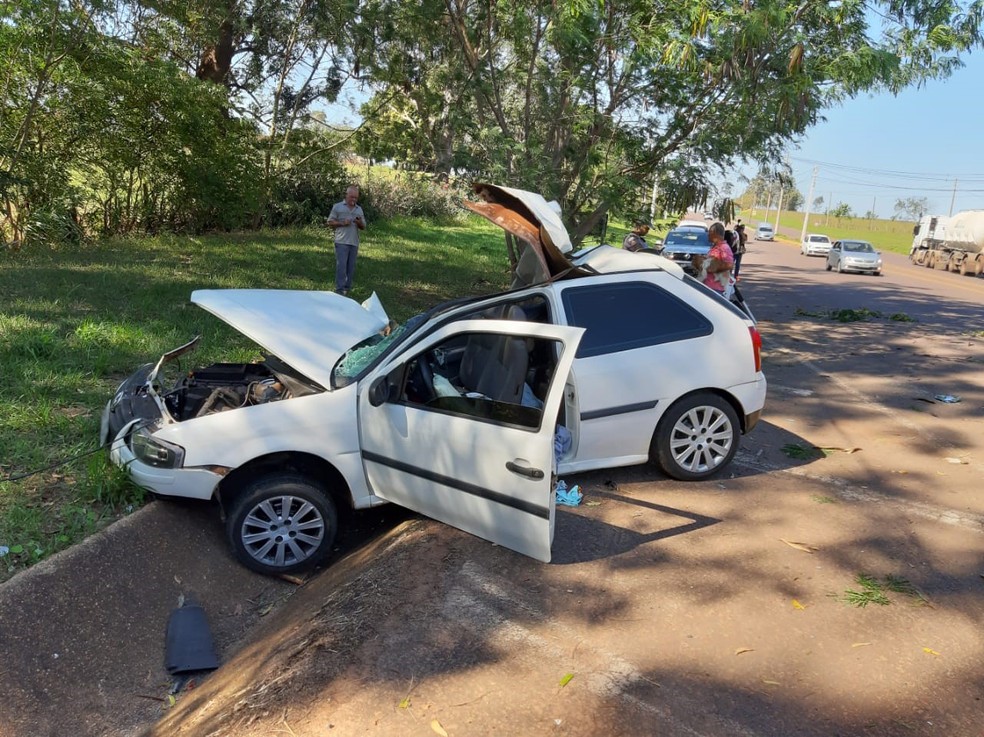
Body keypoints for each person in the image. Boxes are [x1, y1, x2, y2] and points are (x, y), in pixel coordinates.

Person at [327, 185, 366, 295]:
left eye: (356, 198)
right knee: (342, 266)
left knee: (350, 267)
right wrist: (342, 223)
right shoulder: (338, 207)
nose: (353, 200)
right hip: (341, 241)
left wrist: (359, 223)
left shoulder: (359, 209)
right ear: (346, 195)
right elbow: (330, 222)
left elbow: (363, 227)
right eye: (352, 197)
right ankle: (339, 290)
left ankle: (347, 289)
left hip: (354, 242)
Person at [694, 221, 734, 294]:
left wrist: (713, 268)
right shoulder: (715, 247)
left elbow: (729, 265)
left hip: (715, 288)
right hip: (708, 286)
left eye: (709, 232)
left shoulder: (724, 248)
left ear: (714, 233)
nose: (708, 235)